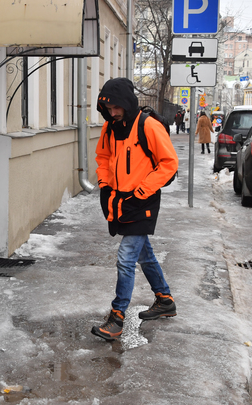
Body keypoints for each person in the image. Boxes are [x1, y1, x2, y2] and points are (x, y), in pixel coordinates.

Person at [91, 77, 179, 341]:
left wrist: (142, 191)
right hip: (119, 200)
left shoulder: (148, 126)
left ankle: (117, 317)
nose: (112, 112)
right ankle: (164, 300)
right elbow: (103, 157)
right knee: (144, 255)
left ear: (127, 104)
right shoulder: (110, 127)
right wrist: (105, 184)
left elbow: (169, 163)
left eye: (117, 107)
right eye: (108, 108)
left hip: (143, 201)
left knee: (126, 258)